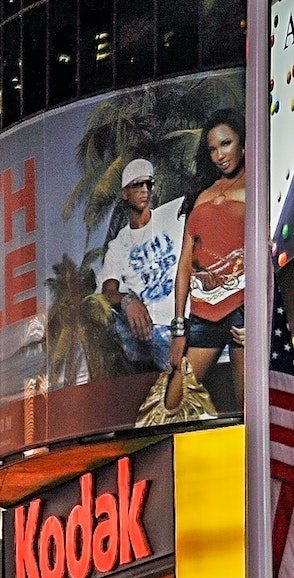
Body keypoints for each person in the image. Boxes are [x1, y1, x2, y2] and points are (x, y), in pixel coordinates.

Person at [165, 111, 248, 412]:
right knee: (172, 404)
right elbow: (184, 266)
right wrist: (179, 330)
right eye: (212, 149)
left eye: (226, 144)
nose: (219, 155)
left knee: (247, 409)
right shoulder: (201, 196)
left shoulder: (259, 184)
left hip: (243, 308)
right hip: (203, 313)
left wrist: (259, 316)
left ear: (242, 142)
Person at [100, 158, 186, 371]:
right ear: (124, 193)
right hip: (152, 331)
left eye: (149, 184)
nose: (145, 190)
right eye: (137, 185)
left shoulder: (172, 214)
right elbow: (107, 292)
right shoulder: (118, 245)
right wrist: (128, 300)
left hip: (183, 321)